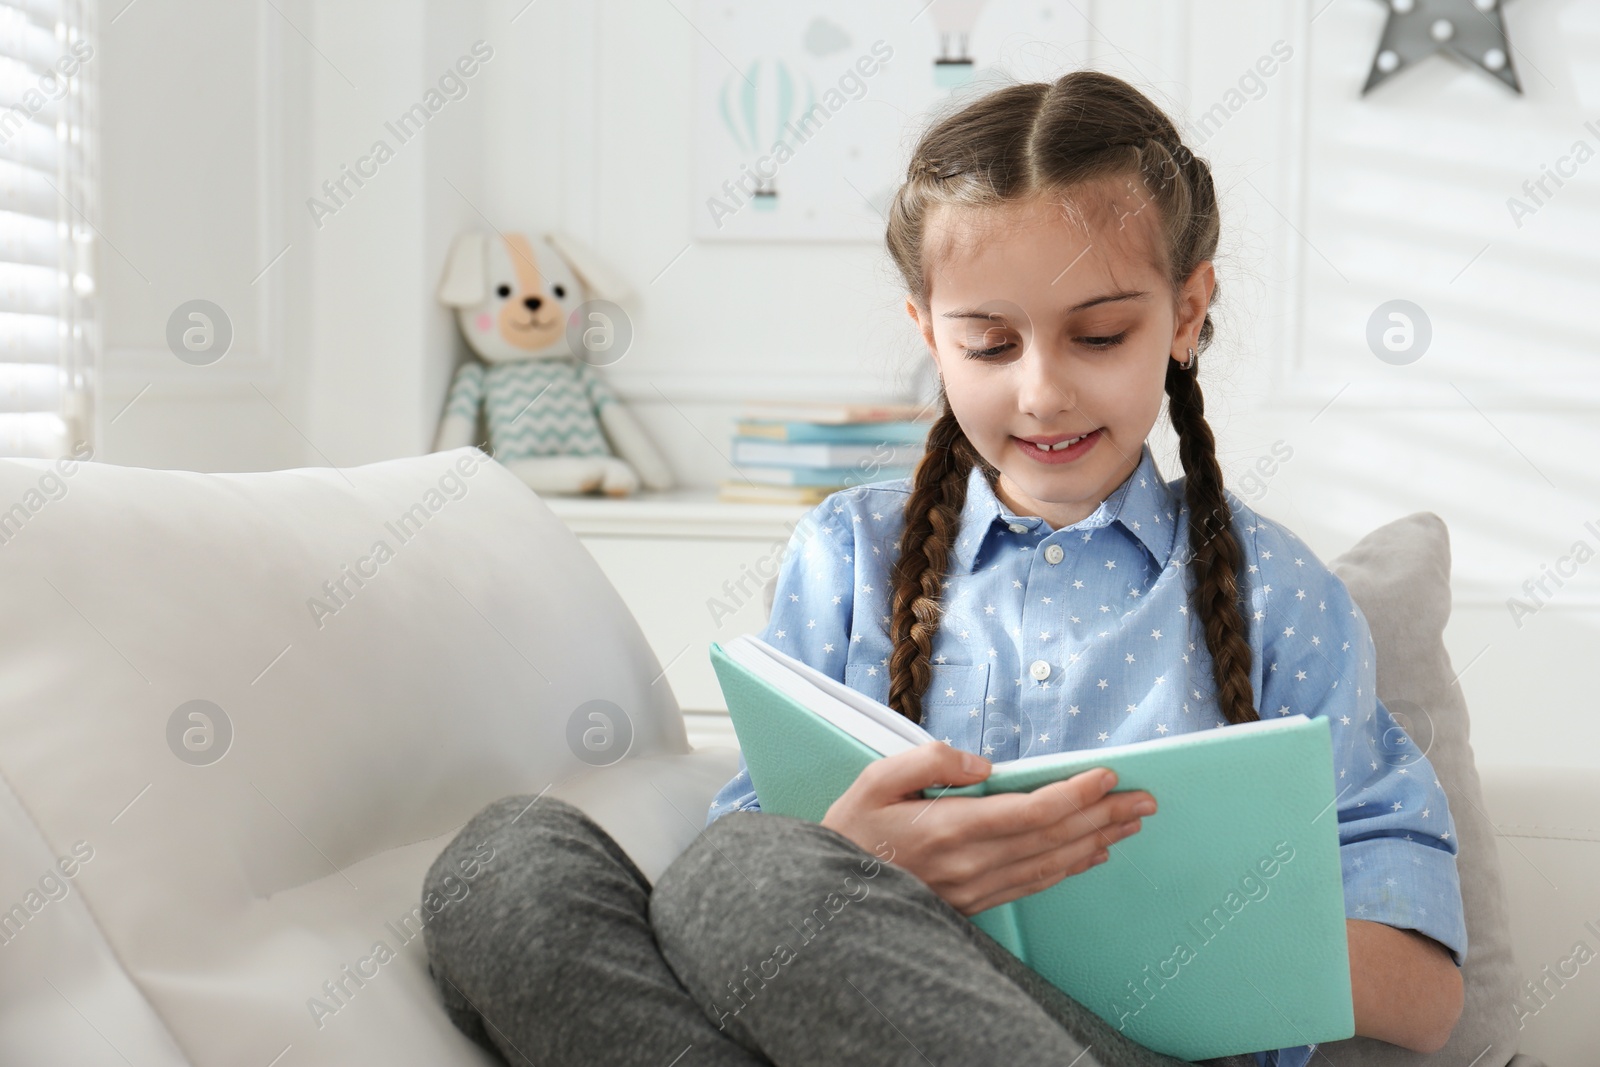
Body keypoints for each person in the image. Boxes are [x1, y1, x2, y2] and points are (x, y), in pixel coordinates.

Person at [421, 70, 1466, 1067]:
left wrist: (1154, 901)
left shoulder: (1273, 592)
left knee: (750, 880)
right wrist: (871, 866)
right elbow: (733, 901)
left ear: (1187, 313)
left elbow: (1422, 992)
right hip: (837, 1011)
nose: (1043, 393)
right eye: (989, 344)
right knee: (504, 865)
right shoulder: (846, 558)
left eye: (1098, 334)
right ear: (928, 329)